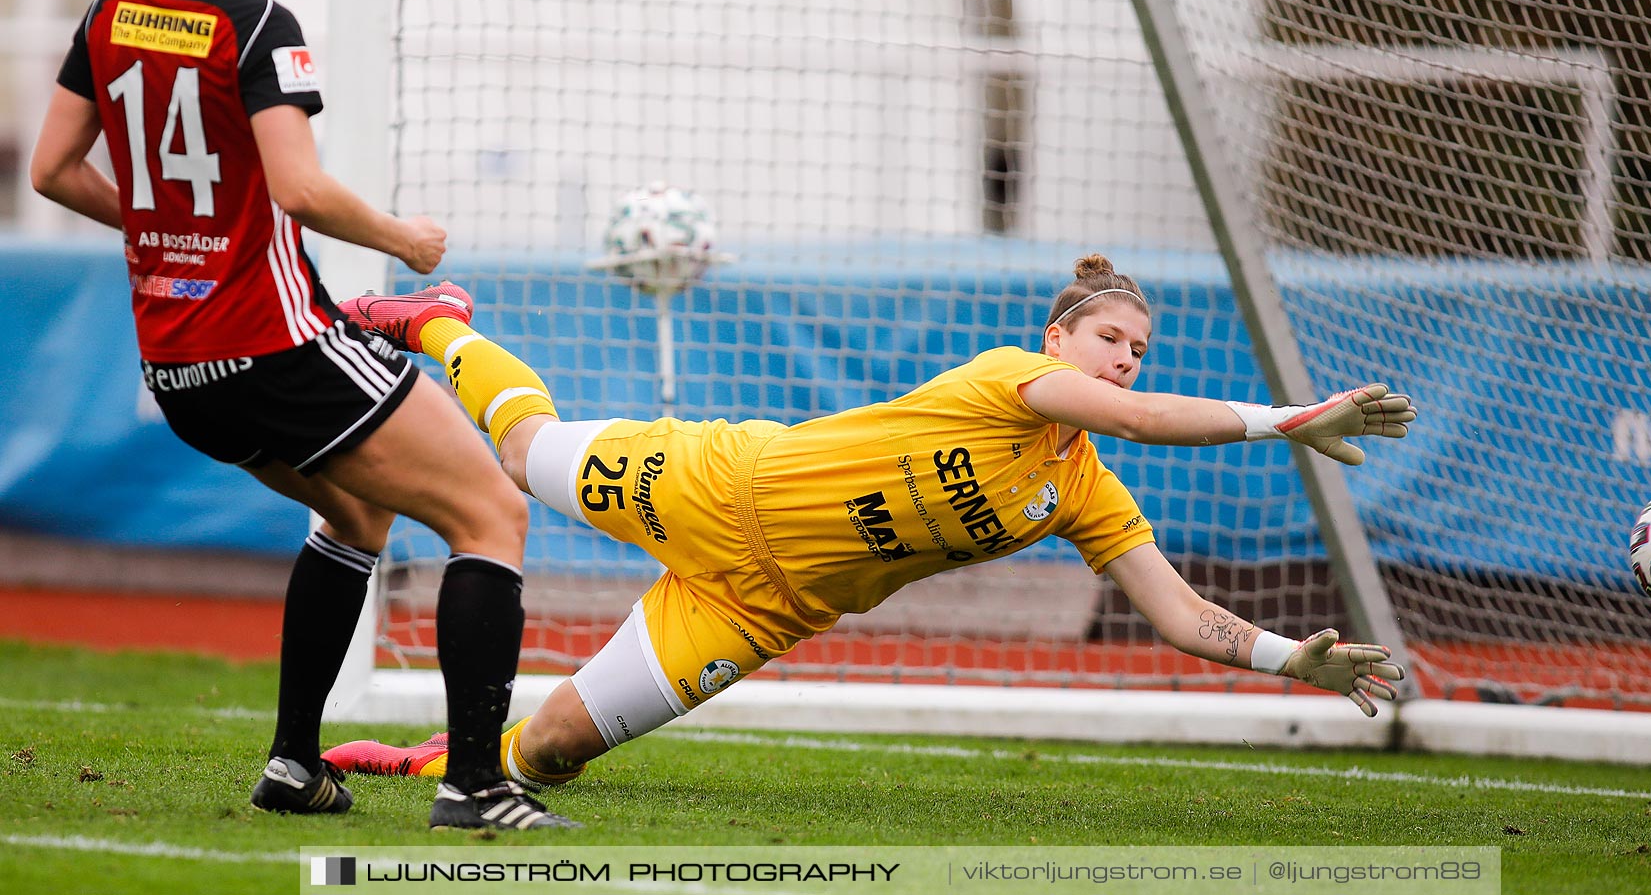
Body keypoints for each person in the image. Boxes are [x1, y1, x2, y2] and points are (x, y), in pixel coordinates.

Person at [322, 255, 1413, 787]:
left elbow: (1178, 615)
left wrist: (1288, 659)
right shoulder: (1009, 378)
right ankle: (441, 321)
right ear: (1058, 338)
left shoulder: (1085, 490)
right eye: (1110, 337)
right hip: (720, 483)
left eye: (1140, 346)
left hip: (762, 605)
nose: (1126, 358)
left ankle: (433, 764)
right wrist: (1287, 417)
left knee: (552, 751)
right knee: (518, 453)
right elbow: (1138, 416)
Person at [28, 0, 573, 830]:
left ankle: (293, 762)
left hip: (179, 366)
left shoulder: (111, 13)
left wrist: (164, 227)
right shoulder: (259, 23)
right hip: (274, 343)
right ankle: (475, 785)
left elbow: (52, 170)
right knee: (490, 512)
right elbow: (301, 189)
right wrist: (405, 239)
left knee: (357, 514)